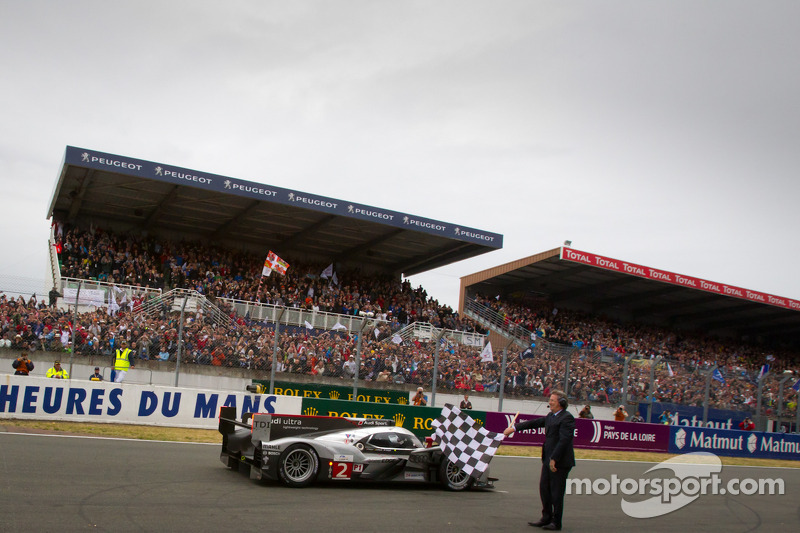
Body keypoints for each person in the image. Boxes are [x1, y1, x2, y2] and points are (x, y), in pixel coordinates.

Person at [504, 390, 575, 531]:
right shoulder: (551, 416)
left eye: (553, 400)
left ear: (561, 403)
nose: (550, 402)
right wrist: (514, 428)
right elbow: (534, 423)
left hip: (559, 462)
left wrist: (554, 458)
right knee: (544, 489)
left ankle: (556, 521)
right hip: (548, 459)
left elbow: (564, 440)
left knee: (556, 492)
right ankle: (546, 517)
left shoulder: (567, 418)